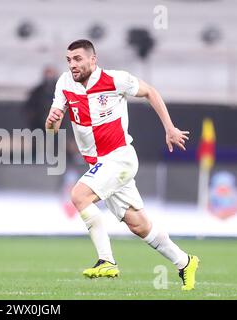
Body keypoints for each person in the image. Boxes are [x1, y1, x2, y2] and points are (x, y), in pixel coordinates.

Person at [45, 39, 199, 291]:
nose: (72, 65)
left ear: (93, 60)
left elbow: (151, 92)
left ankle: (106, 260)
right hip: (100, 166)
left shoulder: (115, 80)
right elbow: (50, 130)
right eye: (69, 60)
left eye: (78, 59)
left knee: (79, 195)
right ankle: (184, 261)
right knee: (139, 225)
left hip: (119, 158)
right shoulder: (64, 83)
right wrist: (51, 122)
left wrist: (170, 128)